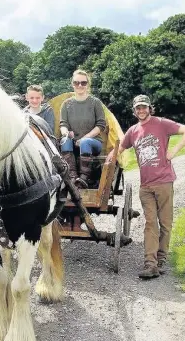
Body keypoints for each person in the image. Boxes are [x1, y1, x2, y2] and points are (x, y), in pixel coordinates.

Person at [108, 94, 185, 279]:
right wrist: (110, 156)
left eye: (144, 107)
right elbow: (121, 147)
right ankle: (150, 265)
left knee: (165, 224)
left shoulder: (161, 123)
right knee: (150, 224)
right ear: (134, 110)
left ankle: (161, 260)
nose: (141, 110)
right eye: (138, 108)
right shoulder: (133, 131)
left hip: (164, 181)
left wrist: (173, 151)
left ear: (150, 108)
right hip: (146, 186)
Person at [60, 69, 106, 188]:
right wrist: (65, 133)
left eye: (83, 83)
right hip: (73, 143)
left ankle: (84, 178)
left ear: (87, 84)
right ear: (72, 84)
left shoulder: (95, 103)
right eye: (76, 83)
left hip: (93, 142)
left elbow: (101, 125)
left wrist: (85, 137)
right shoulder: (66, 104)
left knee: (85, 142)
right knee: (64, 141)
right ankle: (72, 177)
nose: (80, 85)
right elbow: (63, 124)